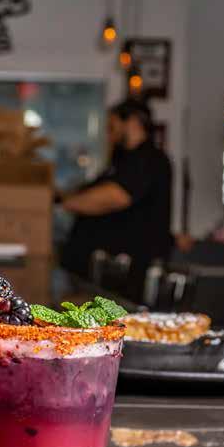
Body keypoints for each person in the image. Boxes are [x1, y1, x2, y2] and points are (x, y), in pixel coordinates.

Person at [61, 99, 173, 301]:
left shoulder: (148, 159)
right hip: (106, 273)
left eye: (112, 126)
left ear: (132, 122)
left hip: (128, 272)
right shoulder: (123, 161)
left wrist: (66, 202)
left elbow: (115, 196)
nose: (109, 134)